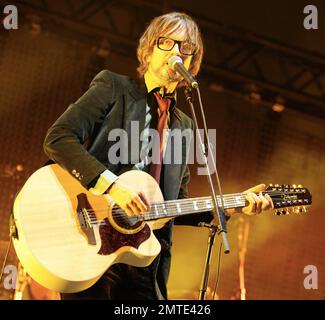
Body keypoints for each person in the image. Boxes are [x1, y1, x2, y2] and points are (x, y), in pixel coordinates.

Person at [43, 12, 273, 300]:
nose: (178, 51)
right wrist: (113, 187)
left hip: (146, 260)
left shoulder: (184, 125)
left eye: (187, 47)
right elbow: (59, 138)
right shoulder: (113, 88)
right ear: (149, 50)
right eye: (168, 42)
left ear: (193, 61)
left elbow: (174, 205)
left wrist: (230, 208)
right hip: (92, 245)